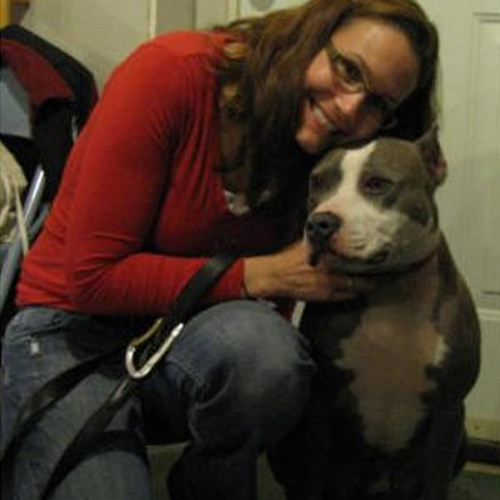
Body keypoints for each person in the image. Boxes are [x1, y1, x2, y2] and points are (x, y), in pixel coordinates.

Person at [0, 0, 439, 499]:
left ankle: (209, 482)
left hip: (180, 339)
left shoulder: (320, 156)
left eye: (378, 104)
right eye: (347, 70)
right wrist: (259, 274)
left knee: (269, 356)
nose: (349, 108)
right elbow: (93, 279)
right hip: (69, 329)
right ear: (311, 36)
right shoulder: (171, 72)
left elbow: (272, 328)